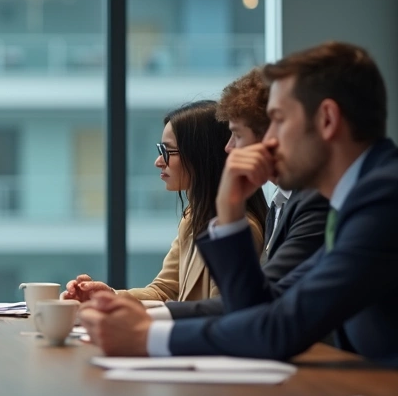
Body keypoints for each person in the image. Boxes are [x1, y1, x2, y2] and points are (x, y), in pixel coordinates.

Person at [79, 42, 398, 396]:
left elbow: (282, 329)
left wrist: (147, 337)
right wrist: (229, 212)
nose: (268, 139)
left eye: (277, 119)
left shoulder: (392, 197)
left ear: (327, 120)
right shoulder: (359, 196)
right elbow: (265, 307)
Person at [116, 69, 329, 319]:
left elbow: (248, 306)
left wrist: (145, 327)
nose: (228, 148)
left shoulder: (296, 208)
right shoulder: (278, 204)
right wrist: (107, 298)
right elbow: (168, 290)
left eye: (237, 135)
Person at [65, 101, 267, 304]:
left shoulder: (238, 230)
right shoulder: (193, 217)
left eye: (168, 151)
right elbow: (164, 290)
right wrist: (107, 295)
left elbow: (221, 314)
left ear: (200, 155)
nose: (159, 161)